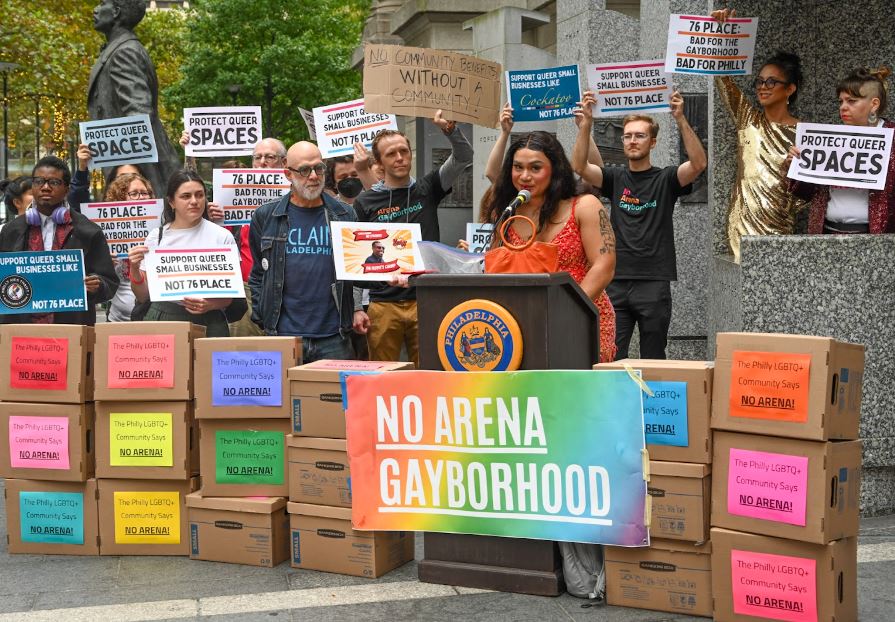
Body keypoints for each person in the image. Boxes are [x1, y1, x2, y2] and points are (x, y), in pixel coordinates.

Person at [572, 89, 707, 360]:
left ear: (653, 142)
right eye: (628, 136)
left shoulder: (666, 179)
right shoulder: (614, 178)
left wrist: (680, 119)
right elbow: (580, 167)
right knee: (611, 356)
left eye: (640, 135)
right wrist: (586, 125)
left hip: (653, 282)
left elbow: (698, 164)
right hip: (616, 281)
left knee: (654, 356)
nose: (633, 141)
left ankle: (653, 404)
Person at [352, 110, 473, 366]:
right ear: (379, 162)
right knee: (382, 375)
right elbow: (356, 257)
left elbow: (464, 157)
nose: (399, 158)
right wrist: (355, 307)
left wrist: (450, 130)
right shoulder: (365, 201)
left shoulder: (427, 188)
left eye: (403, 151)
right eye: (391, 154)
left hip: (426, 298)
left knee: (429, 371)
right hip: (383, 304)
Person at [484, 131, 617, 362]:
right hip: (523, 325)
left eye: (535, 168)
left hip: (580, 317)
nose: (525, 176)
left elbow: (604, 265)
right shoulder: (505, 212)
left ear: (555, 170)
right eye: (518, 167)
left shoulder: (584, 206)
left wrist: (567, 309)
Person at [249, 141, 360, 362]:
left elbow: (357, 272)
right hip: (283, 336)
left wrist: (388, 276)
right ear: (287, 173)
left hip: (334, 336)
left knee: (334, 397)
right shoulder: (265, 216)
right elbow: (258, 274)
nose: (313, 176)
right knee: (283, 397)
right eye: (304, 170)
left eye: (319, 168)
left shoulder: (345, 215)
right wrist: (263, 317)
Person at [712, 9, 808, 261]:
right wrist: (723, 34)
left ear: (790, 89)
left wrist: (791, 196)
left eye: (771, 82)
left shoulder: (806, 133)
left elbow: (813, 191)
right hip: (741, 226)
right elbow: (723, 80)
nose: (763, 87)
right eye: (760, 81)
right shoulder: (748, 119)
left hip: (780, 224)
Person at [0, 156, 118, 325]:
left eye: (54, 182)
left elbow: (109, 282)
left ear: (67, 189)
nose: (45, 187)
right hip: (21, 332)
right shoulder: (11, 231)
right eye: (39, 181)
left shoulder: (88, 231)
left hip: (72, 330)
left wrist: (96, 285)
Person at [88, 0, 180, 201]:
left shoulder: (124, 51)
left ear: (116, 12)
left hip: (135, 171)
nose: (95, 9)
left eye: (102, 4)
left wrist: (128, 168)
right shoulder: (117, 49)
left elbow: (138, 113)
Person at [127, 170, 236, 336]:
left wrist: (212, 304)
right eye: (186, 196)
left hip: (211, 321)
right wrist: (134, 269)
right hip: (164, 320)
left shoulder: (222, 236)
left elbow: (232, 295)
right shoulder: (156, 237)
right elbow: (143, 296)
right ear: (171, 202)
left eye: (199, 195)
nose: (194, 201)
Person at [789, 67, 895, 234]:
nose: (843, 107)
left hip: (877, 237)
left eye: (851, 101)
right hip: (826, 233)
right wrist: (799, 166)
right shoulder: (827, 140)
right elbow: (806, 193)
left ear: (874, 104)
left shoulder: (892, 139)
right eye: (841, 101)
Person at [103, 172, 154, 321]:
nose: (141, 197)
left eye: (145, 193)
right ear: (119, 197)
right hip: (117, 320)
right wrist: (105, 264)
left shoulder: (161, 227)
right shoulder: (107, 232)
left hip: (151, 319)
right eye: (134, 193)